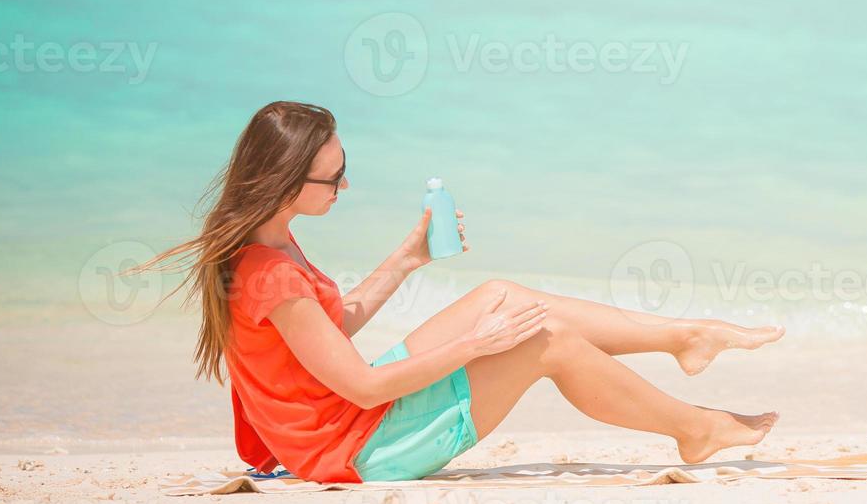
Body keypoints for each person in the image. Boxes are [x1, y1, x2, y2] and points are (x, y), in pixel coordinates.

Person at [138, 101, 782, 482]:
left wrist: (409, 257)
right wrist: (479, 345)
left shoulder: (272, 239)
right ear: (285, 182)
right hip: (352, 448)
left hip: (342, 419)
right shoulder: (268, 270)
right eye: (333, 179)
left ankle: (685, 337)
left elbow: (331, 334)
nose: (345, 188)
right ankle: (695, 430)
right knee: (543, 338)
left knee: (500, 293)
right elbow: (361, 387)